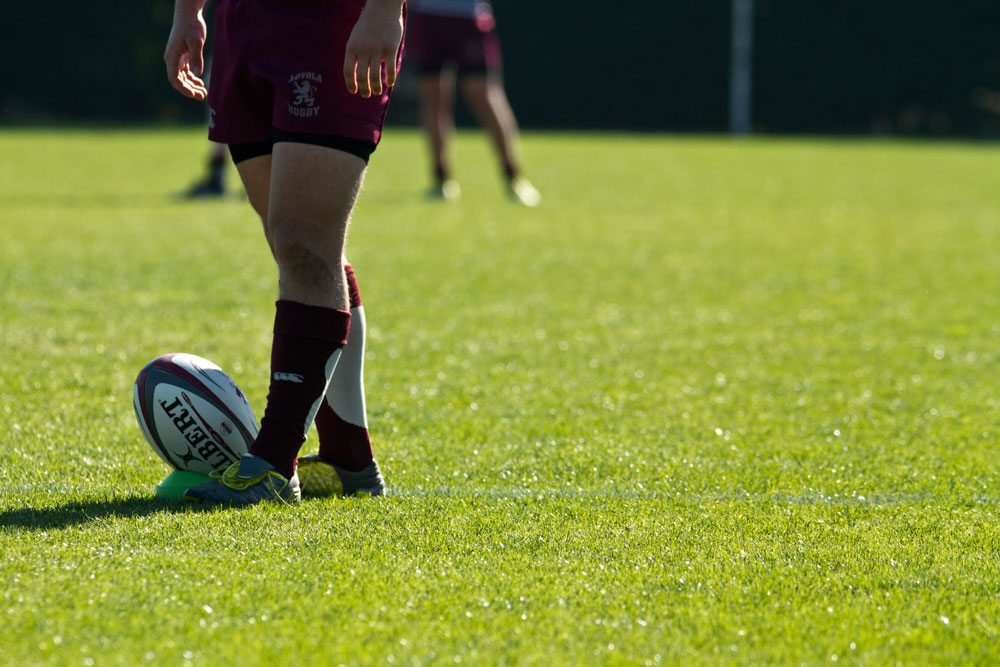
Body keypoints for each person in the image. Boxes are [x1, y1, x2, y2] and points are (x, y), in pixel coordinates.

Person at [164, 0, 405, 504]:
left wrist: (384, 11)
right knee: (295, 245)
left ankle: (273, 462)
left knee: (303, 243)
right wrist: (188, 12)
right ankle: (348, 457)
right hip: (242, 25)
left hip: (328, 23)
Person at [407, 0, 540, 206]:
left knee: (483, 94)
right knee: (434, 98)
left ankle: (513, 175)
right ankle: (441, 179)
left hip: (468, 17)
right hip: (428, 17)